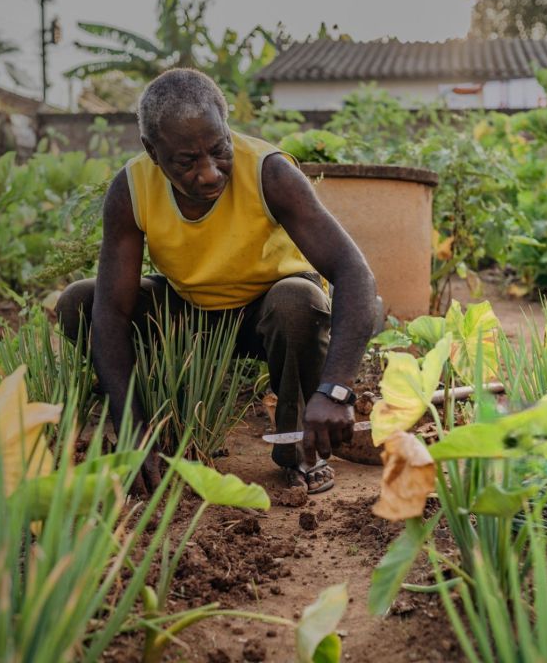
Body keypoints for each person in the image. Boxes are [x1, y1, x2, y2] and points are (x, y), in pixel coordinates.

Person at [56, 68, 377, 496]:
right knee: (80, 300)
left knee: (298, 301)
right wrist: (129, 424)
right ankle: (161, 419)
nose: (209, 173)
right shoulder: (131, 189)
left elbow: (353, 271)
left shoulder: (270, 173)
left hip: (267, 315)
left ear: (227, 129)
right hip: (191, 316)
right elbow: (113, 310)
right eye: (186, 162)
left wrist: (336, 390)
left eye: (218, 149)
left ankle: (300, 446)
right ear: (153, 151)